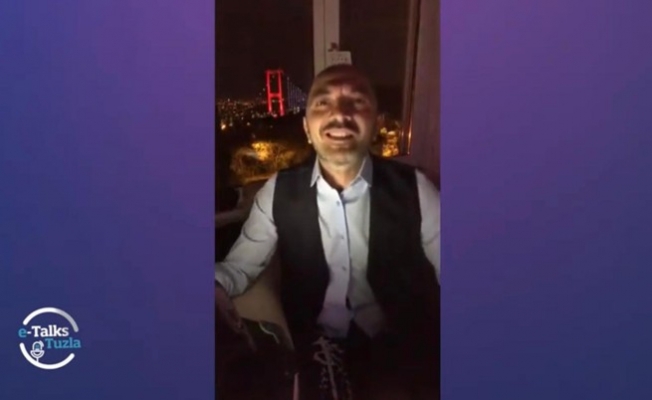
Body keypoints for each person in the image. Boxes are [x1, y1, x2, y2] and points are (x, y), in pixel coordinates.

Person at [216, 64, 440, 399]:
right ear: (307, 128)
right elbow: (240, 267)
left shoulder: (416, 189)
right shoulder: (278, 192)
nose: (340, 114)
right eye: (323, 102)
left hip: (403, 348)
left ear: (376, 125)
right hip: (313, 350)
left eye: (357, 101)